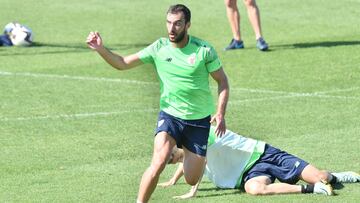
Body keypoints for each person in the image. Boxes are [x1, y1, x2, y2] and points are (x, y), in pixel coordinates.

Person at [86, 4, 229, 203]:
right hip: (170, 115)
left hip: (198, 121)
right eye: (169, 23)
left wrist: (220, 113)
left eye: (178, 24)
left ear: (188, 25)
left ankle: (183, 152)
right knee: (158, 162)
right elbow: (123, 63)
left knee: (191, 178)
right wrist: (101, 49)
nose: (172, 29)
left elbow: (222, 81)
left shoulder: (204, 50)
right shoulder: (159, 47)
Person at [159, 126, 360, 198]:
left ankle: (336, 176)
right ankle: (312, 190)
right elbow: (186, 161)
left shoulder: (201, 136)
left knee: (321, 176)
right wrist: (172, 181)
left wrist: (192, 190)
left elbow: (197, 162)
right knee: (254, 189)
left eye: (171, 155)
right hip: (249, 174)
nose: (173, 159)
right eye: (170, 161)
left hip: (263, 154)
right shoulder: (187, 154)